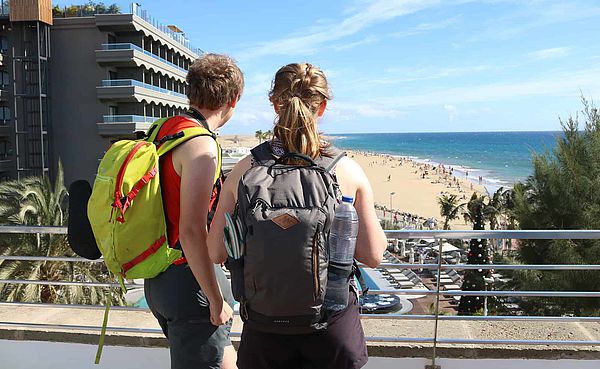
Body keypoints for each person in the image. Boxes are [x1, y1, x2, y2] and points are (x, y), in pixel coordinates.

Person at [207, 63, 386, 369]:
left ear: (274, 104)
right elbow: (372, 256)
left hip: (264, 329)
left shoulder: (244, 170)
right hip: (330, 326)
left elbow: (216, 250)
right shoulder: (346, 170)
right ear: (324, 106)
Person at [144, 53, 244, 369]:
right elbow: (191, 230)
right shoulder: (201, 145)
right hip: (188, 280)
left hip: (158, 276)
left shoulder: (163, 130)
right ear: (234, 99)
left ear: (191, 93)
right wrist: (214, 298)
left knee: (223, 355)